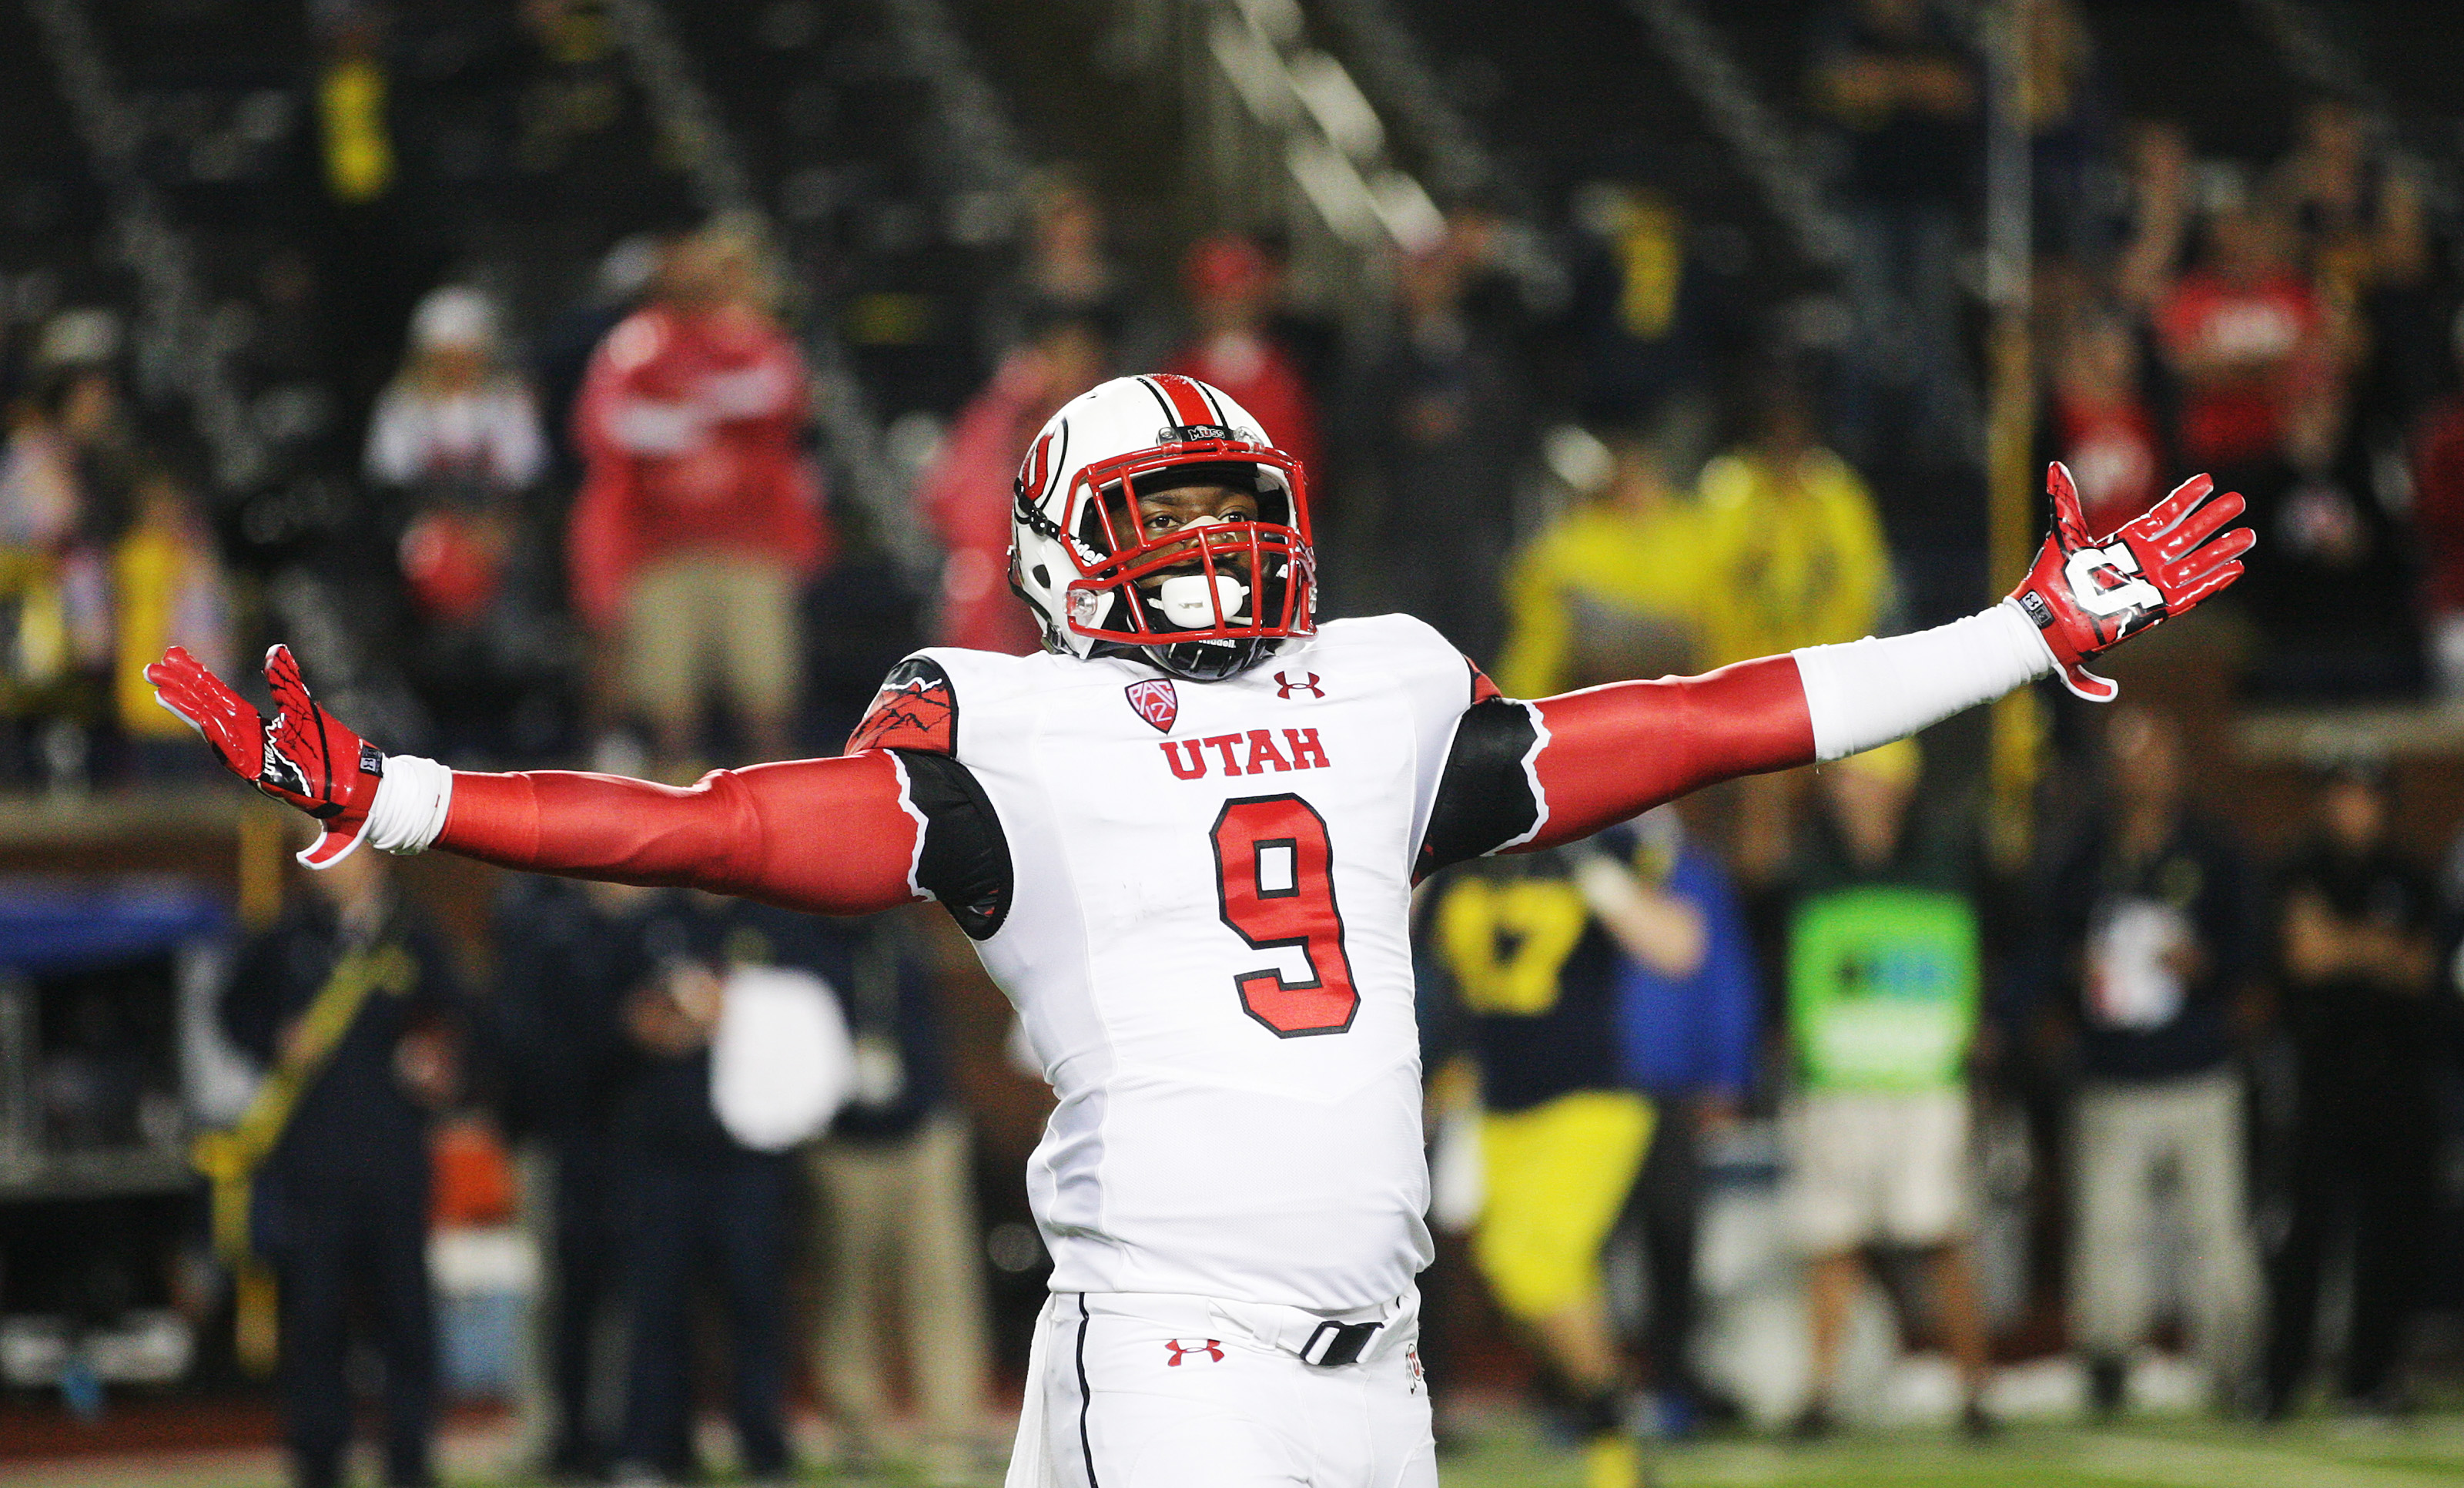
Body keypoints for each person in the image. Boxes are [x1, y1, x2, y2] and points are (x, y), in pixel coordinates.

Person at [149, 373, 2251, 1486]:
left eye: (1236, 527)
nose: (1214, 568)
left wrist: (2027, 628)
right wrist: (403, 792)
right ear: (1064, 562)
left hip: (1356, 1359)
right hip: (1186, 1350)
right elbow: (717, 827)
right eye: (1166, 533)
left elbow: (1706, 721)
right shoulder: (1021, 732)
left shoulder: (1385, 694)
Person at [1424, 823, 1664, 1488]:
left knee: (1536, 1261)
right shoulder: (1459, 856)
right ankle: (1610, 1424)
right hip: (1495, 1107)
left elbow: (1677, 947)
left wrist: (1592, 870)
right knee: (1516, 1269)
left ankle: (1614, 1443)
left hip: (1588, 1098)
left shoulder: (1591, 844)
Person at [217, 846, 461, 1488]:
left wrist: (440, 1066)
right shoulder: (286, 938)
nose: (315, 864)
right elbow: (231, 1009)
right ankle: (317, 1464)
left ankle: (409, 1465)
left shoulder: (418, 939)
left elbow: (463, 1027)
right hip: (314, 1166)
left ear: (374, 858)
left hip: (392, 1166)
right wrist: (274, 1037)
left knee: (406, 1322)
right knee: (317, 1325)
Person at [2041, 705, 2260, 1418]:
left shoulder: (2214, 850)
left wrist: (2208, 969)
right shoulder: (2084, 853)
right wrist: (2077, 975)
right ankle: (2106, 1358)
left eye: (2154, 756)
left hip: (2197, 1068)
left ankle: (2235, 1360)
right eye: (2128, 757)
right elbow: (2045, 949)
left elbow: (2253, 955)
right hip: (2114, 1073)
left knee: (2216, 1228)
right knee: (2108, 1232)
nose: (2141, 771)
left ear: (2178, 765)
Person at [1772, 740, 1994, 1439]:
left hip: (1927, 1079)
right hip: (1834, 1081)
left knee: (1939, 1234)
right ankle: (1821, 1391)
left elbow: (2005, 945)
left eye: (1864, 778)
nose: (1848, 792)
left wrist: (1986, 1026)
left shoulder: (1950, 856)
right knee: (1830, 1238)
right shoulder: (1807, 866)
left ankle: (1975, 1390)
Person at [567, 222, 831, 768]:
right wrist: (690, 418)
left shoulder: (749, 336)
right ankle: (678, 829)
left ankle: (781, 822)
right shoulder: (635, 344)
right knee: (668, 701)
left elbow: (780, 392)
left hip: (750, 542)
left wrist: (695, 406)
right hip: (659, 547)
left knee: (766, 694)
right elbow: (607, 426)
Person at [782, 907, 996, 1477]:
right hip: (840, 1134)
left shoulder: (902, 928)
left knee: (943, 1280)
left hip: (923, 1127)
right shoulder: (798, 934)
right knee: (845, 1284)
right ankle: (857, 1431)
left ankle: (953, 1429)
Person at [2261, 762, 2444, 1421]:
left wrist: (2345, 944)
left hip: (2396, 1077)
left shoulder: (2411, 874)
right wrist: (2378, 949)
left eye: (2365, 796)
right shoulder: (2299, 868)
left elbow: (2423, 969)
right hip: (2321, 1078)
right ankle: (2278, 1380)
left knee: (2391, 1235)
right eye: (2342, 795)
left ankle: (2368, 1379)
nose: (2354, 809)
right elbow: (2302, 958)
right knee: (2304, 1233)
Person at [605, 893, 798, 1483]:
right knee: (659, 1308)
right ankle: (656, 1449)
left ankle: (762, 1449)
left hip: (751, 1154)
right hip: (665, 1153)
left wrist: (732, 1019)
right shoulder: (649, 926)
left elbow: (806, 1018)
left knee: (756, 1306)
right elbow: (610, 1020)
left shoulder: (773, 922)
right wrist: (652, 1024)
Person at [487, 872, 646, 1480]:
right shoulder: (548, 930)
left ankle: (618, 1432)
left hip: (629, 1149)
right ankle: (549, 1429)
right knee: (555, 1296)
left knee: (618, 1302)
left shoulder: (647, 932)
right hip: (561, 1144)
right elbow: (528, 1045)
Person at [1605, 809, 1758, 1436]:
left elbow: (1725, 975)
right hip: (1598, 1086)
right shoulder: (1585, 861)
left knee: (1672, 1241)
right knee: (1589, 1245)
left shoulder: (1695, 873)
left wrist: (1726, 1072)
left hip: (1669, 1087)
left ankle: (1672, 1380)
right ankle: (1585, 1386)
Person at [1495, 434, 1706, 699]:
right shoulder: (1572, 545)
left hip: (1689, 690)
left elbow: (1716, 617)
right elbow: (1538, 642)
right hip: (1599, 694)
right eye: (1626, 481)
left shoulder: (1692, 531)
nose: (1637, 491)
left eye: (1643, 478)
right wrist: (1515, 705)